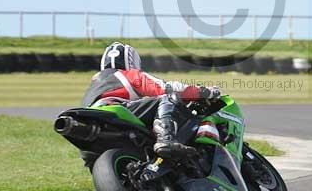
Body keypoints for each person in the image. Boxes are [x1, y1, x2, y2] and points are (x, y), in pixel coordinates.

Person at [83, 42, 221, 158]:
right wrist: (203, 91)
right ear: (131, 61)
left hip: (91, 129)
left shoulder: (93, 86)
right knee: (168, 98)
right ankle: (166, 139)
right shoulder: (129, 74)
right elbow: (167, 88)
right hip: (114, 111)